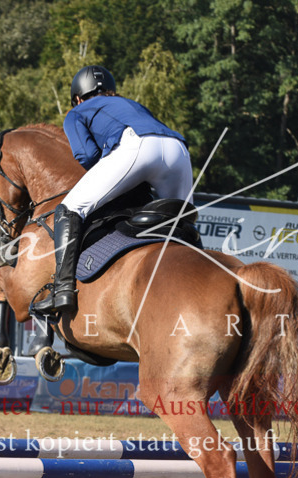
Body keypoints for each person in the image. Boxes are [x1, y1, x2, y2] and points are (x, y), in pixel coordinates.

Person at [51, 65, 193, 313]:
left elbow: (87, 155)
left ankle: (61, 289)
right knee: (182, 221)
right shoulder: (132, 103)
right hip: (177, 149)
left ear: (77, 98)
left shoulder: (75, 113)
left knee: (69, 209)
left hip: (137, 147)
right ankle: (199, 276)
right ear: (111, 90)